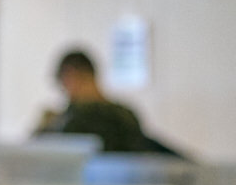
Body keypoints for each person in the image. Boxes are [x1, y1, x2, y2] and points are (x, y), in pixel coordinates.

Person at [37, 47, 179, 154]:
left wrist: (46, 129)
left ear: (71, 75)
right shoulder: (125, 115)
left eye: (63, 85)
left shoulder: (73, 119)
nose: (65, 93)